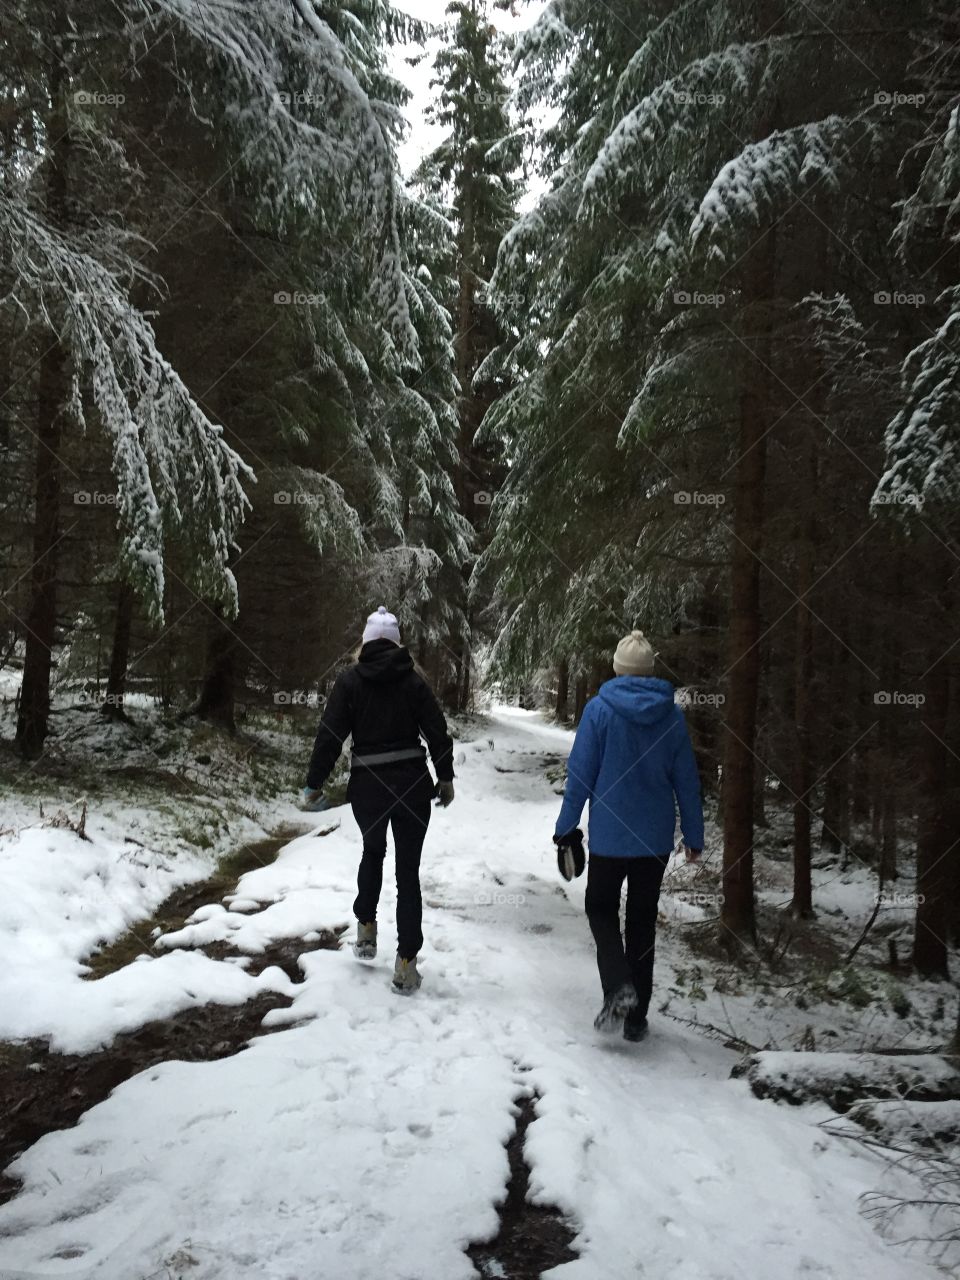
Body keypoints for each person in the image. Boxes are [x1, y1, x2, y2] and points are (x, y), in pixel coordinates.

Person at [553, 630, 704, 1041]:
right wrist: (694, 834)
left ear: (618, 669)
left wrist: (565, 828)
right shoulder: (671, 716)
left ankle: (618, 987)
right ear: (649, 671)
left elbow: (580, 777)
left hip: (609, 840)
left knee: (600, 910)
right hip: (653, 841)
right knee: (641, 922)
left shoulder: (599, 711)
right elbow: (686, 781)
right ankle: (636, 1019)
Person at [302, 606, 454, 994]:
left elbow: (330, 735)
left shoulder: (350, 682)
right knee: (408, 875)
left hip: (368, 787)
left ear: (366, 643)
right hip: (411, 786)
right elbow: (437, 730)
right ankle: (406, 964)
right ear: (397, 643)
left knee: (372, 852)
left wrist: (313, 783)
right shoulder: (414, 682)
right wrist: (446, 776)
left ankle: (366, 930)